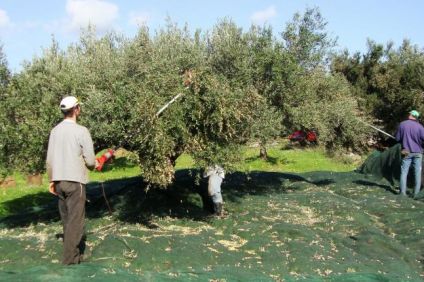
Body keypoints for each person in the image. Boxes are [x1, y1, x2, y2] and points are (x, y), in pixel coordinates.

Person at [46, 96, 97, 265]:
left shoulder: (54, 131)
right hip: (75, 183)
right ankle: (70, 261)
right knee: (75, 222)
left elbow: (49, 159)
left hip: (59, 182)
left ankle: (74, 255)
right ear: (76, 109)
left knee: (67, 221)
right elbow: (90, 162)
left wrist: (51, 180)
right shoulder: (82, 131)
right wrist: (96, 164)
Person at [395, 110, 424, 198]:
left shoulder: (402, 124)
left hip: (406, 152)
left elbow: (397, 138)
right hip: (418, 152)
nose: (408, 114)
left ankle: (402, 193)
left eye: (409, 114)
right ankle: (416, 194)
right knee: (417, 173)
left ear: (411, 115)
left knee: (404, 172)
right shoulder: (420, 127)